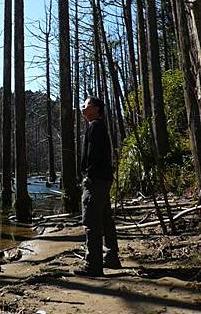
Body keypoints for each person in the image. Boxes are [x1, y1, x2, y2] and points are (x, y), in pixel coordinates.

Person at [74, 96, 121, 277]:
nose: (82, 108)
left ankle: (93, 265)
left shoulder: (95, 127)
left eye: (85, 105)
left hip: (96, 181)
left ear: (95, 108)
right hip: (103, 179)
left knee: (92, 221)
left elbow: (93, 156)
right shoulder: (98, 127)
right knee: (105, 219)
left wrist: (87, 176)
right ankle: (111, 258)